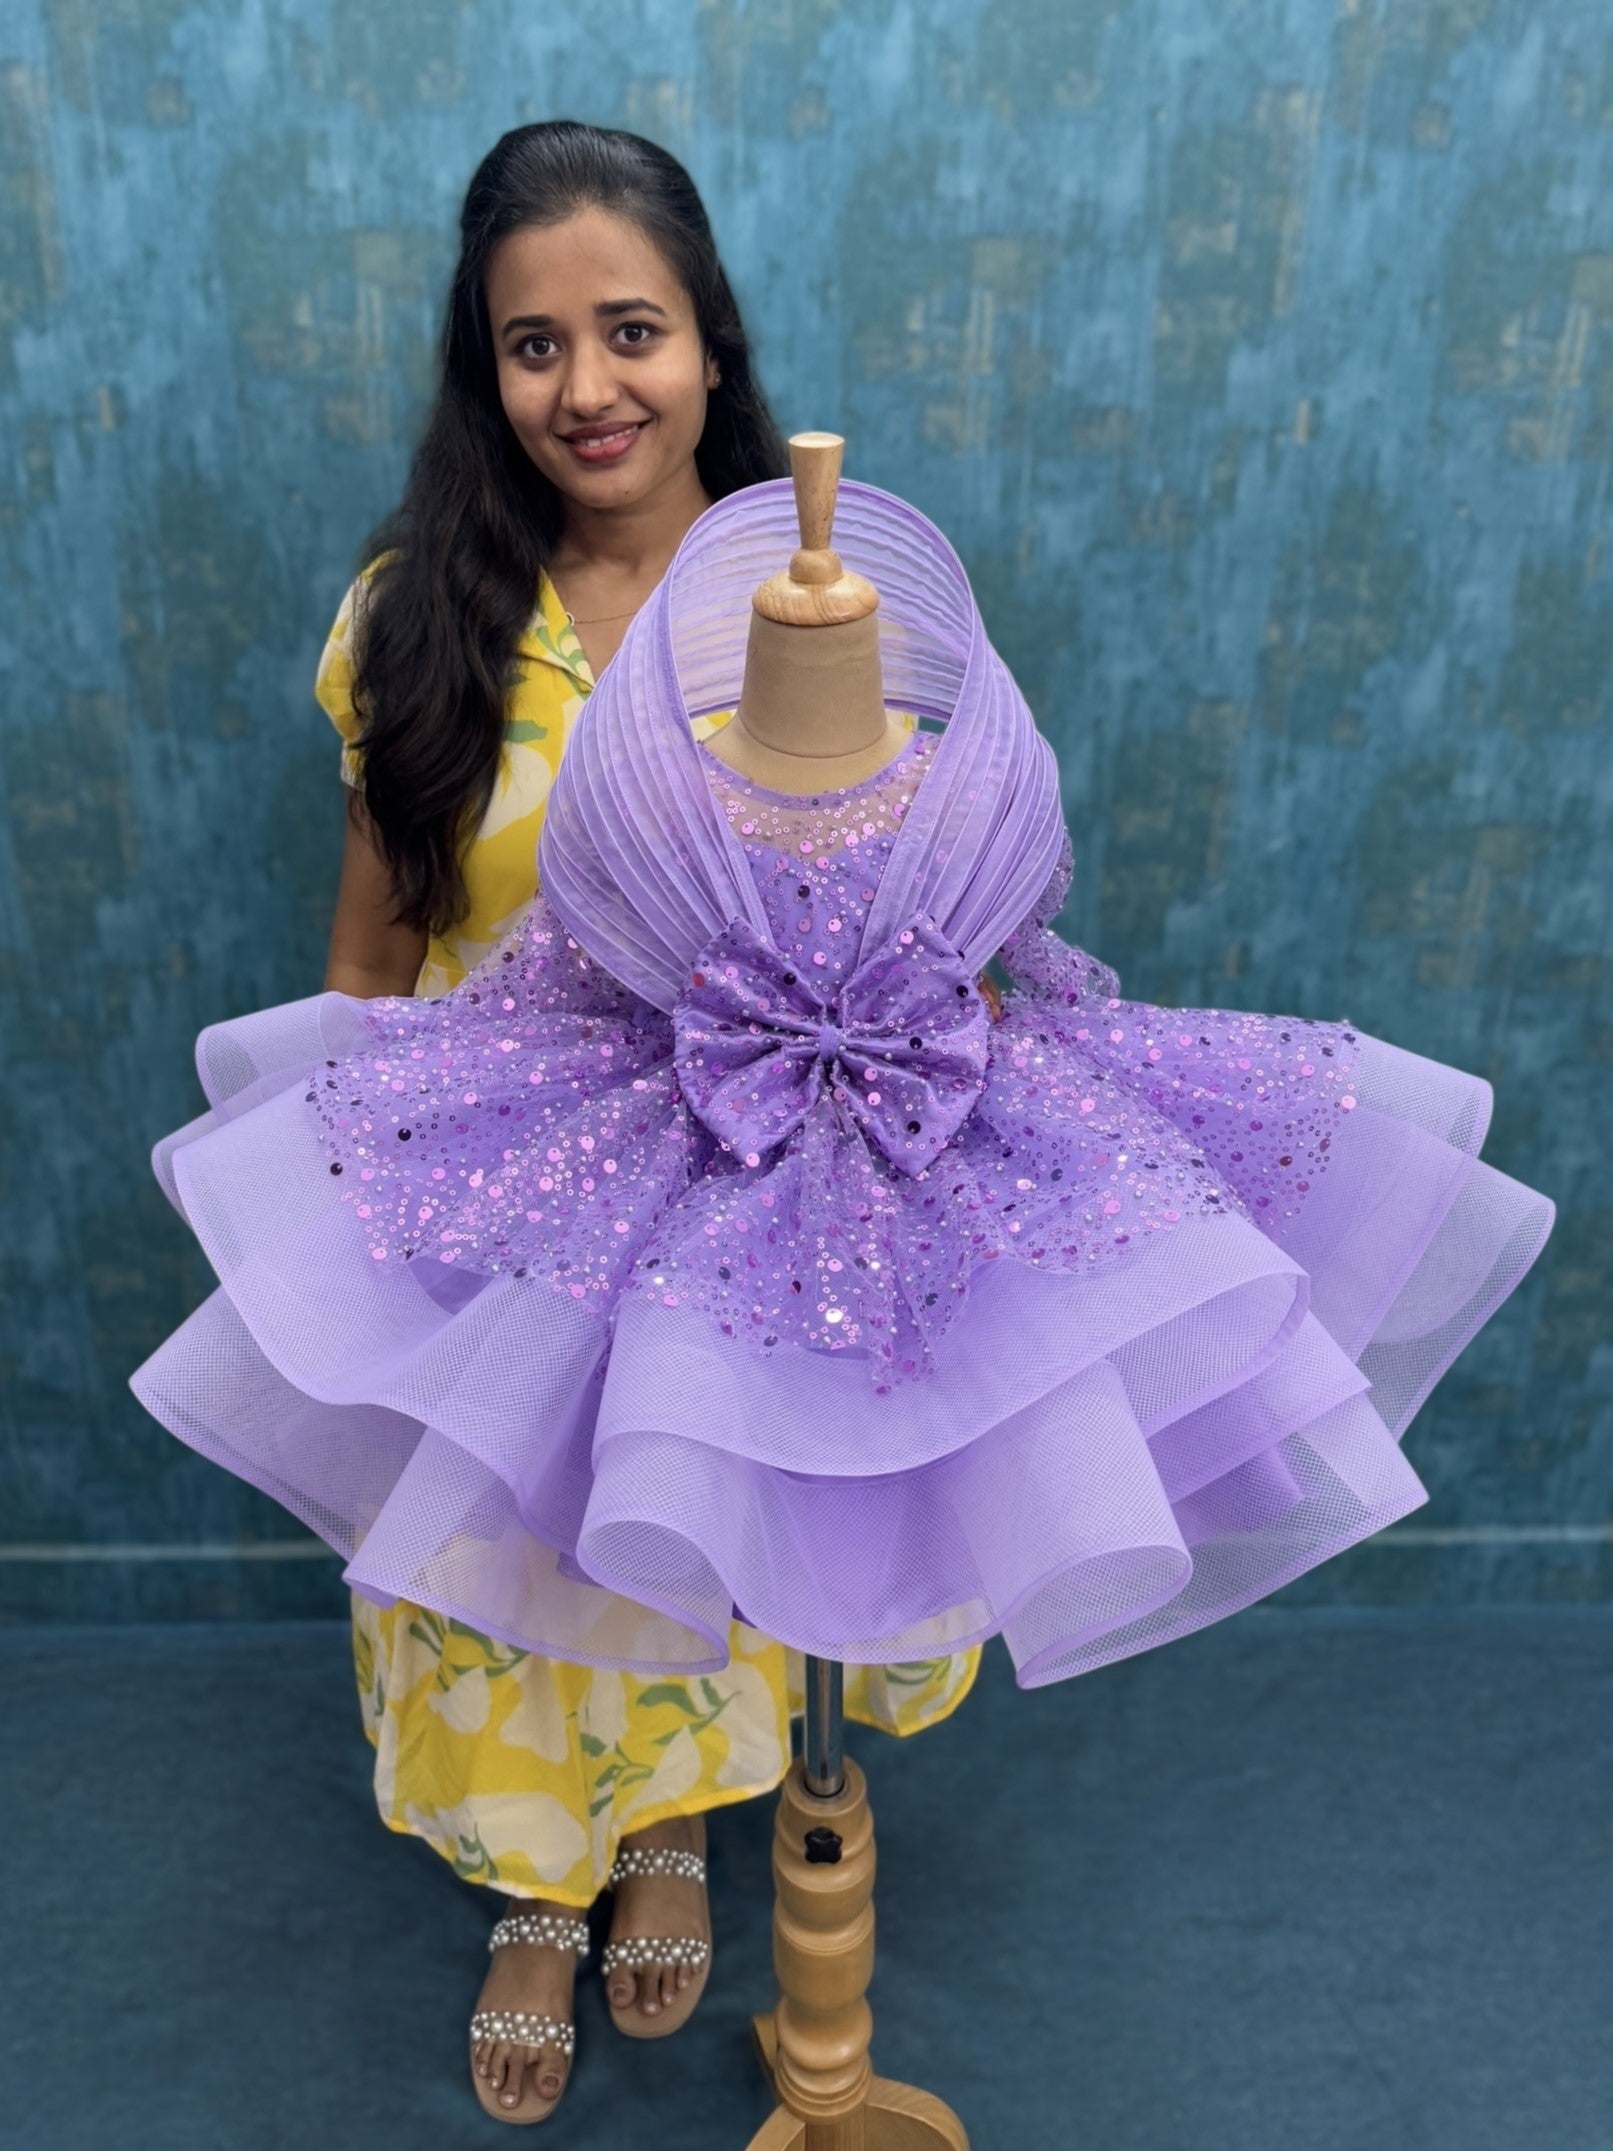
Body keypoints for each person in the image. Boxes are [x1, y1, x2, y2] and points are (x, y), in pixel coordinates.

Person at [200, 121, 975, 2124]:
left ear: (709, 339)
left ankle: (658, 1835)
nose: (588, 385)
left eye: (630, 328)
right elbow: (375, 955)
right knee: (497, 1558)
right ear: (488, 374)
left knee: (683, 1541)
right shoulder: (418, 617)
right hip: (488, 1176)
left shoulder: (807, 594)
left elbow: (901, 900)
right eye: (533, 346)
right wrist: (360, 1204)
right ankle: (531, 1885)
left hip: (733, 1196)